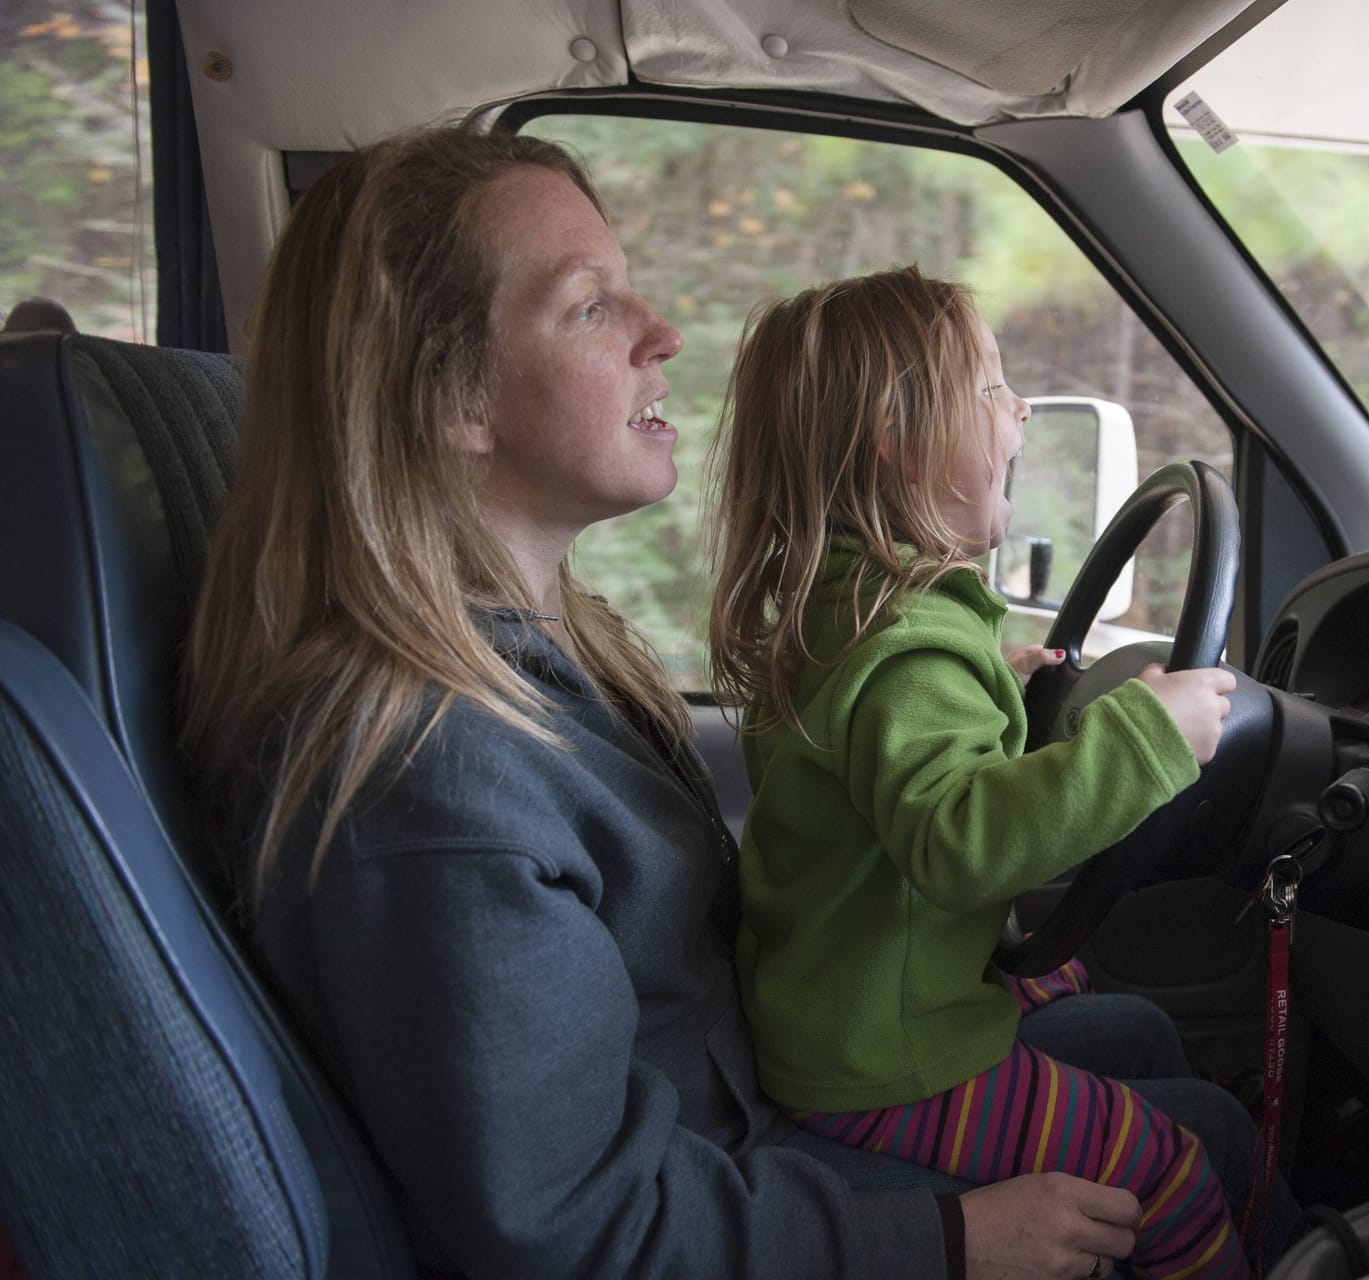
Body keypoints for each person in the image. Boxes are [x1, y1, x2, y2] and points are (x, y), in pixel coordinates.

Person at [179, 128, 1145, 1280]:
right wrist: (946, 1237)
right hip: (725, 1189)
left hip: (744, 1125)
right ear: (452, 394)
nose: (665, 335)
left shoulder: (548, 664)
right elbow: (583, 1226)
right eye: (592, 307)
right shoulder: (432, 783)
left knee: (1143, 1039)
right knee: (1199, 1148)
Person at [706, 266, 1255, 1279]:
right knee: (1168, 1170)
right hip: (890, 1059)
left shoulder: (848, 616)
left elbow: (872, 760)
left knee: (1084, 986)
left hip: (838, 1009)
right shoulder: (909, 648)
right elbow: (960, 842)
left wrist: (992, 689)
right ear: (898, 434)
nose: (1021, 412)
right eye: (992, 388)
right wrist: (1146, 738)